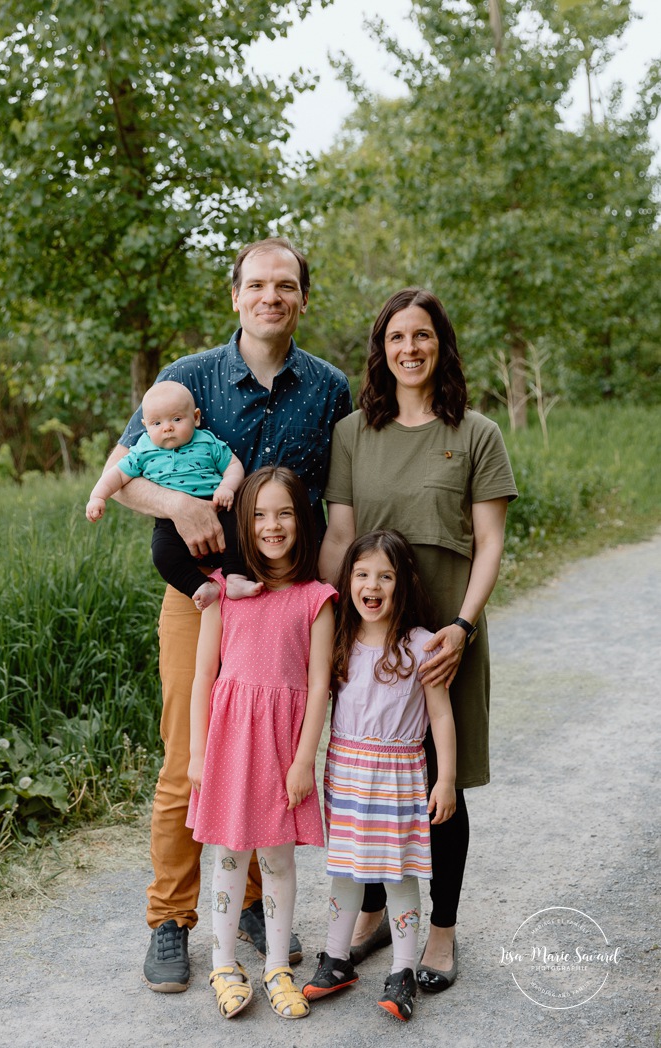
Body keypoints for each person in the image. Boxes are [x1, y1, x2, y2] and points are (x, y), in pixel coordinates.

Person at [101, 237, 352, 992]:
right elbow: (118, 476)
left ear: (303, 298)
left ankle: (249, 903)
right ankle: (170, 921)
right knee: (190, 759)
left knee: (270, 758)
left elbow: (334, 508)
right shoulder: (187, 378)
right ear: (234, 295)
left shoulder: (329, 388)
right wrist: (179, 505)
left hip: (285, 607)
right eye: (257, 285)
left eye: (285, 286)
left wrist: (334, 614)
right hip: (201, 598)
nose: (270, 297)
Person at [319, 288, 517, 993]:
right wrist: (329, 625)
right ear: (381, 349)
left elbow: (490, 541)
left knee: (440, 782)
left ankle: (440, 931)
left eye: (422, 336)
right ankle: (372, 916)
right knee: (366, 774)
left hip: (446, 637)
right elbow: (340, 538)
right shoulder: (351, 434)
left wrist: (461, 627)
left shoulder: (476, 434)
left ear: (441, 345)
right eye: (396, 337)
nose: (409, 348)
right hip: (368, 638)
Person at [186, 467, 336, 1020]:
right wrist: (198, 752)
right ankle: (224, 964)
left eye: (285, 513)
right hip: (227, 743)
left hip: (281, 749)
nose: (272, 526)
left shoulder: (317, 599)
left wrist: (304, 761)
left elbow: (319, 684)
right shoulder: (224, 593)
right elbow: (204, 676)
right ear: (244, 525)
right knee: (227, 856)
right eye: (259, 515)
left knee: (277, 860)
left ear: (302, 519)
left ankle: (277, 965)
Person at [303, 530, 456, 1022]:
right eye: (362, 574)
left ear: (403, 583)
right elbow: (313, 703)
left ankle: (404, 970)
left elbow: (441, 715)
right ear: (348, 580)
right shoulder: (340, 639)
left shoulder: (421, 645)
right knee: (344, 869)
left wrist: (446, 779)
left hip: (398, 777)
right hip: (346, 774)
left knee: (398, 875)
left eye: (385, 576)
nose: (372, 585)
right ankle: (337, 957)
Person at [86, 380, 252, 609]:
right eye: (156, 423)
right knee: (162, 553)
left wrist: (227, 487)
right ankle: (199, 586)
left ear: (195, 417)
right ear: (145, 426)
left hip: (216, 505)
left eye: (176, 419)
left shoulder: (207, 441)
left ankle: (236, 577)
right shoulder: (143, 450)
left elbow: (233, 466)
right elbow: (115, 475)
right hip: (170, 519)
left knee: (238, 530)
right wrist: (98, 497)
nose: (167, 427)